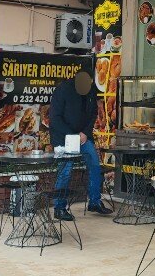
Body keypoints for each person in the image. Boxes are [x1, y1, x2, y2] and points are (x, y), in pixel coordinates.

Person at [49, 69, 113, 220]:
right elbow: (55, 118)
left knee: (95, 166)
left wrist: (84, 133)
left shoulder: (90, 91)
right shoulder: (63, 90)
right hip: (63, 138)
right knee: (65, 171)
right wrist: (72, 136)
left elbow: (92, 115)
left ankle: (95, 201)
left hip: (83, 137)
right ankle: (59, 207)